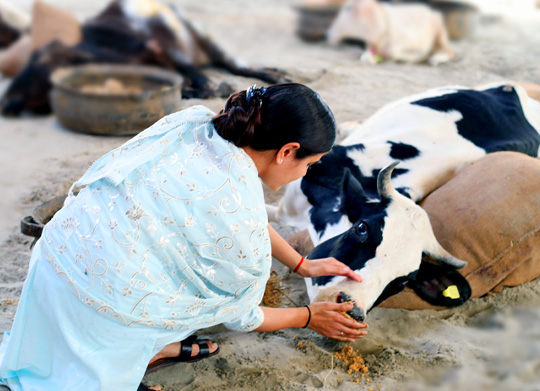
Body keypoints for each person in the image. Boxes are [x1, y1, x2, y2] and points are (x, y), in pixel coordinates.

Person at [0, 83, 368, 391]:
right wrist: (307, 316)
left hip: (52, 265)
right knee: (200, 294)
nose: (304, 174)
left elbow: (242, 220)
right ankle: (142, 351)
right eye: (308, 164)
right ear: (287, 152)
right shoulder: (235, 203)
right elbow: (244, 316)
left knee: (166, 269)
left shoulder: (197, 125)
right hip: (97, 306)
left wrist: (301, 263)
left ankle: (149, 348)